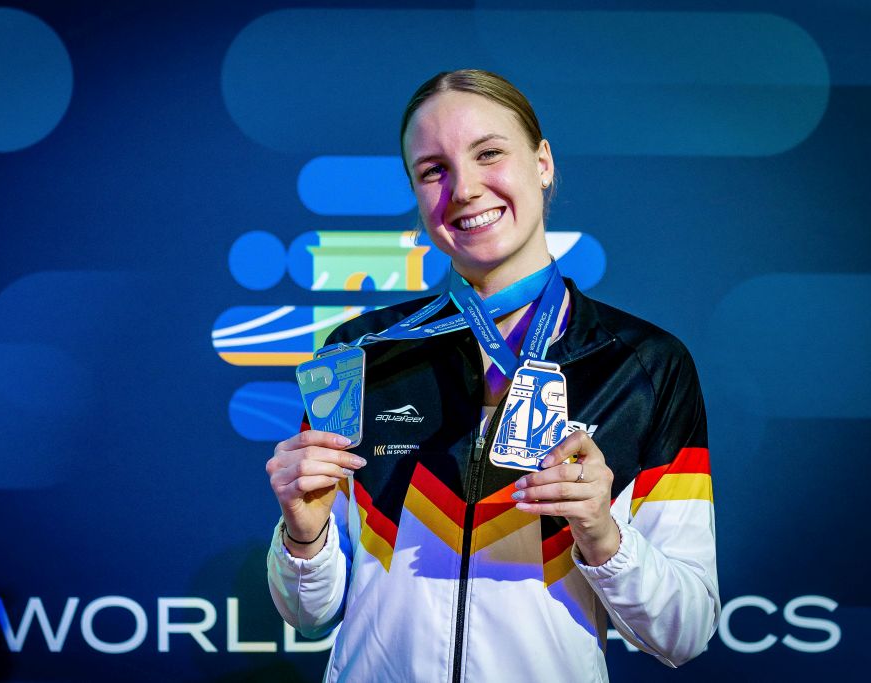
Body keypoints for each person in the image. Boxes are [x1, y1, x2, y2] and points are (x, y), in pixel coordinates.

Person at [265, 69, 718, 682]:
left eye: (488, 153)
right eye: (434, 170)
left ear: (542, 162)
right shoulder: (361, 353)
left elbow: (685, 633)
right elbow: (308, 613)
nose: (465, 188)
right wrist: (303, 533)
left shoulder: (644, 365)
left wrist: (602, 535)